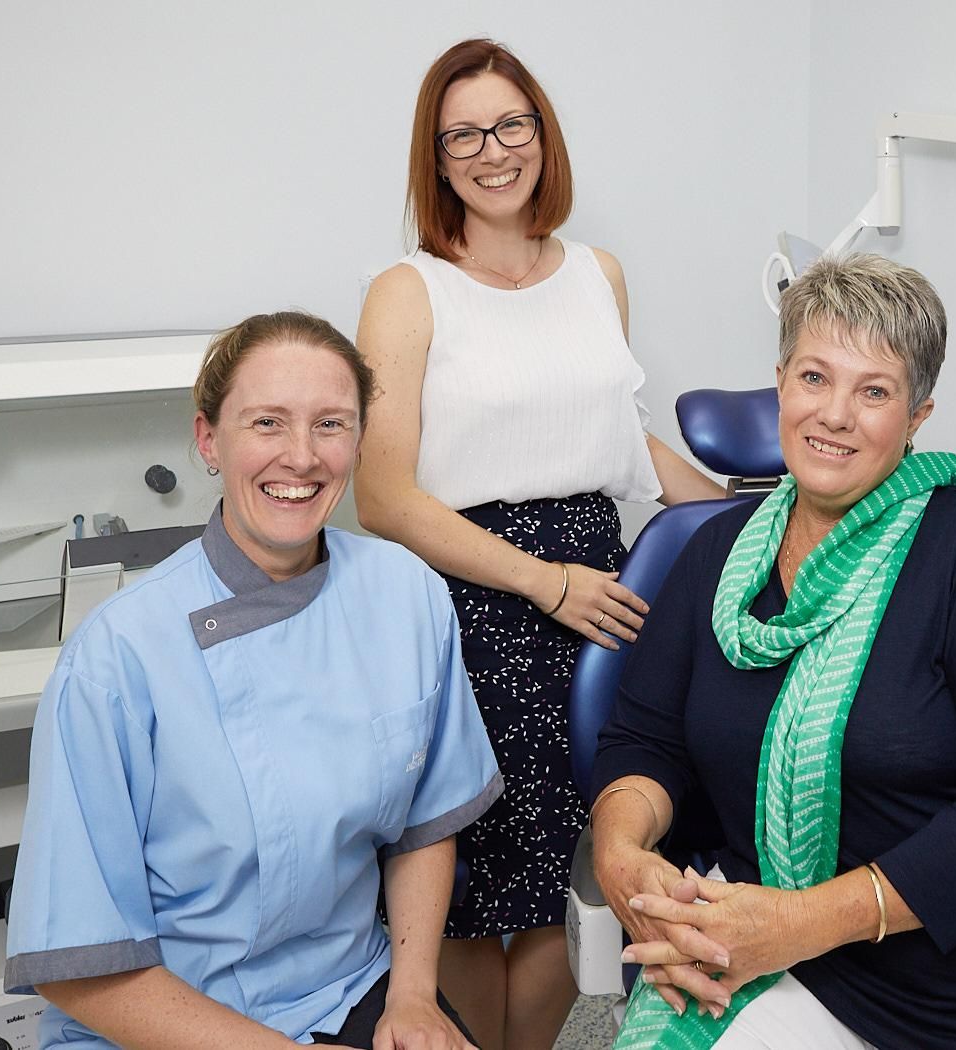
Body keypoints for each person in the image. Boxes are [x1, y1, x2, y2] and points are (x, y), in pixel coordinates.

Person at [590, 254, 956, 1050]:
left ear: (917, 417)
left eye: (874, 391)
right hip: (812, 957)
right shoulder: (714, 558)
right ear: (780, 384)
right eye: (814, 377)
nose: (835, 414)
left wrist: (798, 922)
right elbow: (645, 741)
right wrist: (622, 853)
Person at [353, 37, 724, 1050]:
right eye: (461, 133)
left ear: (541, 135)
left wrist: (748, 521)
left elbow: (622, 438)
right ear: (436, 160)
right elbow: (381, 494)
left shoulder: (596, 274)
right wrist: (540, 583)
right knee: (471, 881)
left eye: (508, 124)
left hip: (598, 591)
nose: (490, 150)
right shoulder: (407, 290)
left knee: (574, 858)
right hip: (468, 597)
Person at [4, 312, 500, 1050]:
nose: (301, 457)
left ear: (359, 441)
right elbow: (79, 966)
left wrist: (415, 994)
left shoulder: (406, 594)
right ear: (209, 439)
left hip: (349, 985)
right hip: (160, 1018)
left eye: (331, 424)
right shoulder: (118, 656)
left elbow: (425, 824)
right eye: (267, 422)